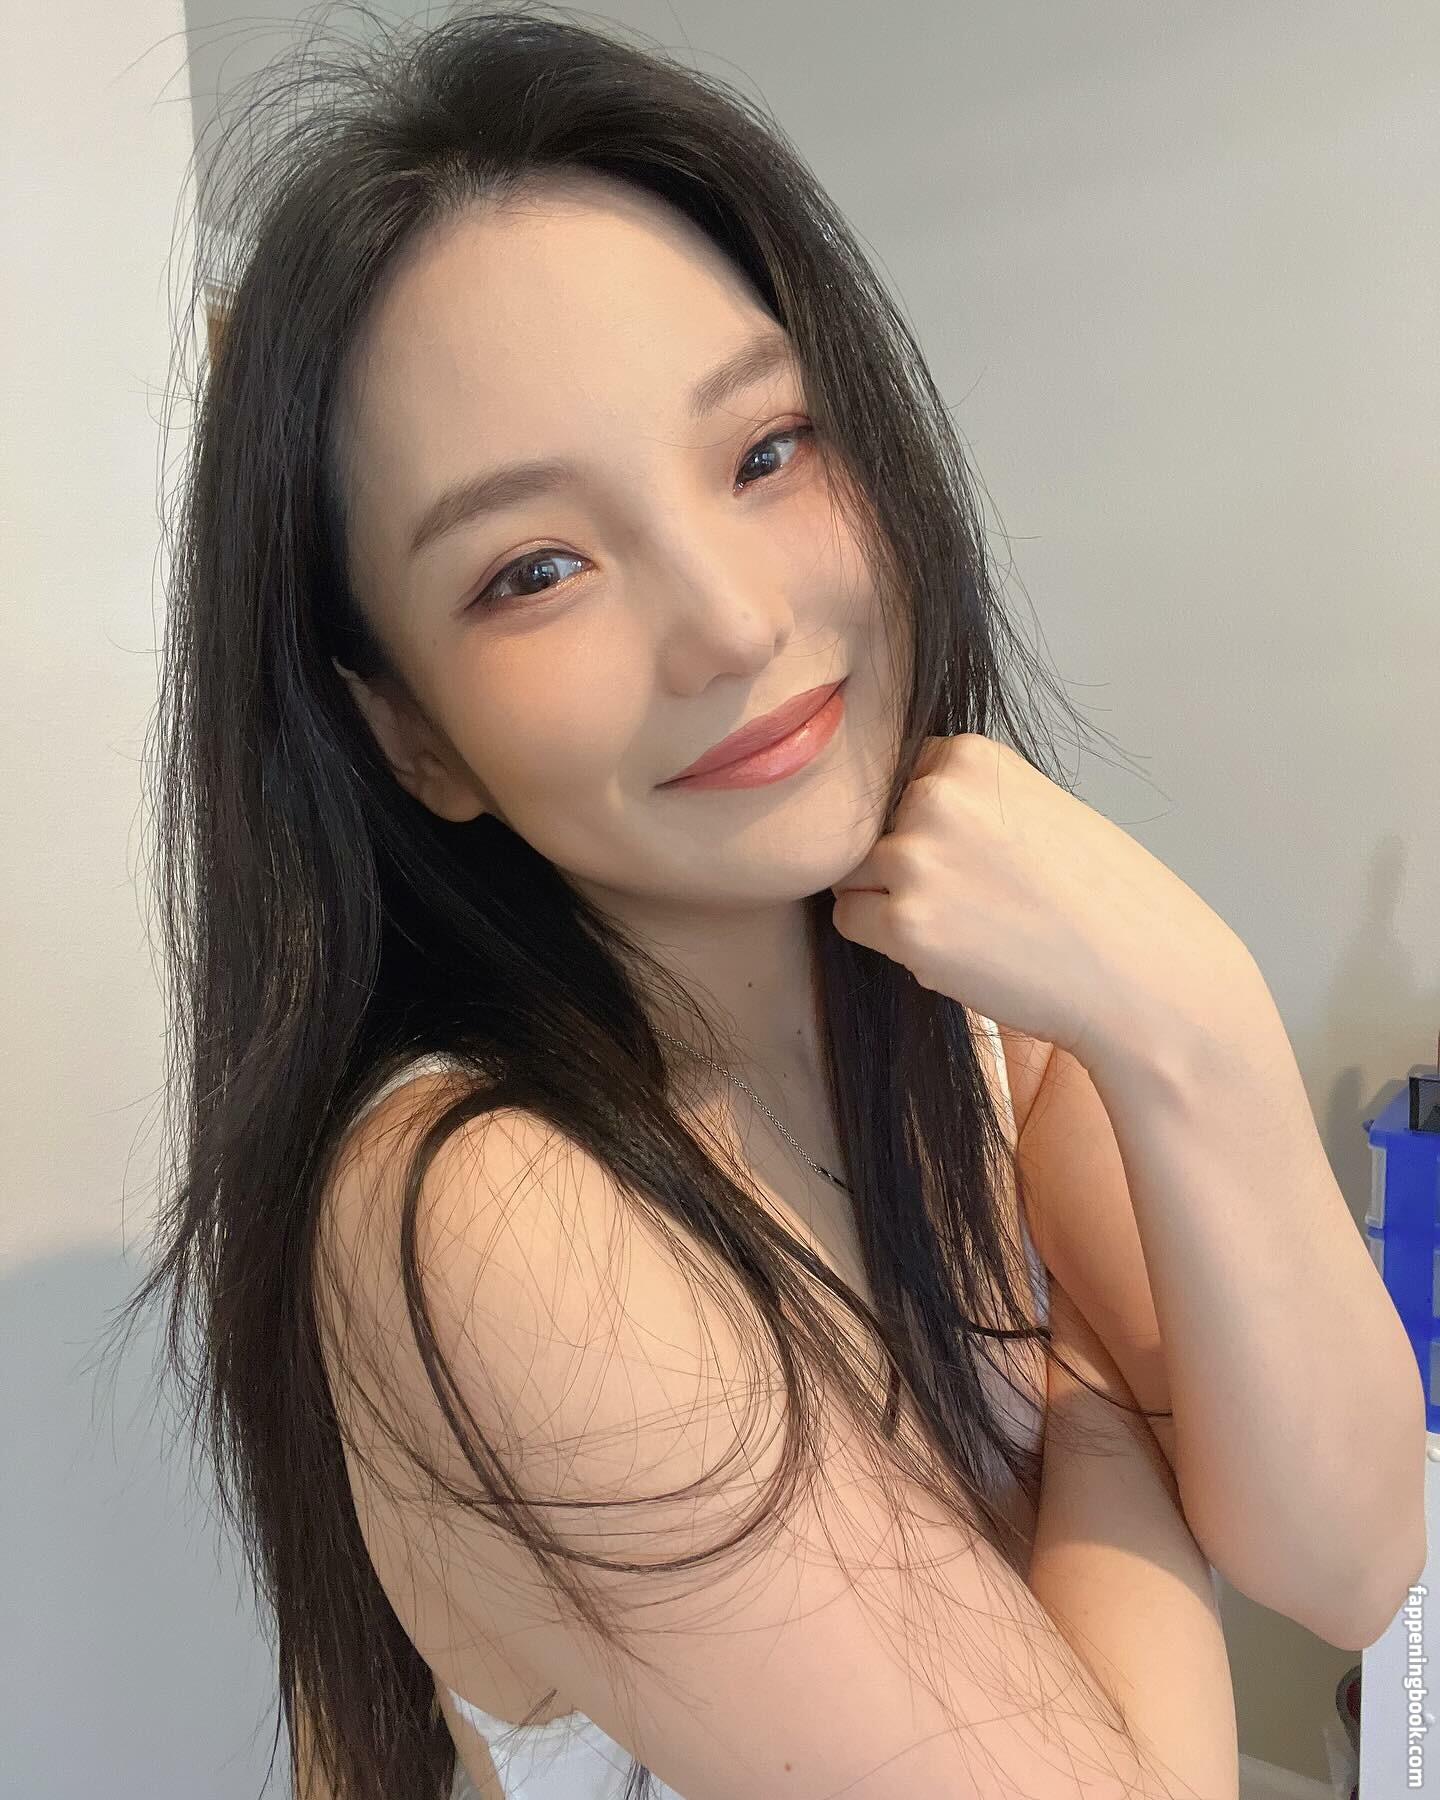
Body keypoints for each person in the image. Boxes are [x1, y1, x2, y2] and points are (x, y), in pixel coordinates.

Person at [124, 8, 1248, 1797]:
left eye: (764, 449)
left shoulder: (951, 1012)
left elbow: (1348, 1550)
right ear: (413, 734)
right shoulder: (487, 1206)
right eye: (534, 568)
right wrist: (1104, 1414)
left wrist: (1190, 1007)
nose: (729, 622)